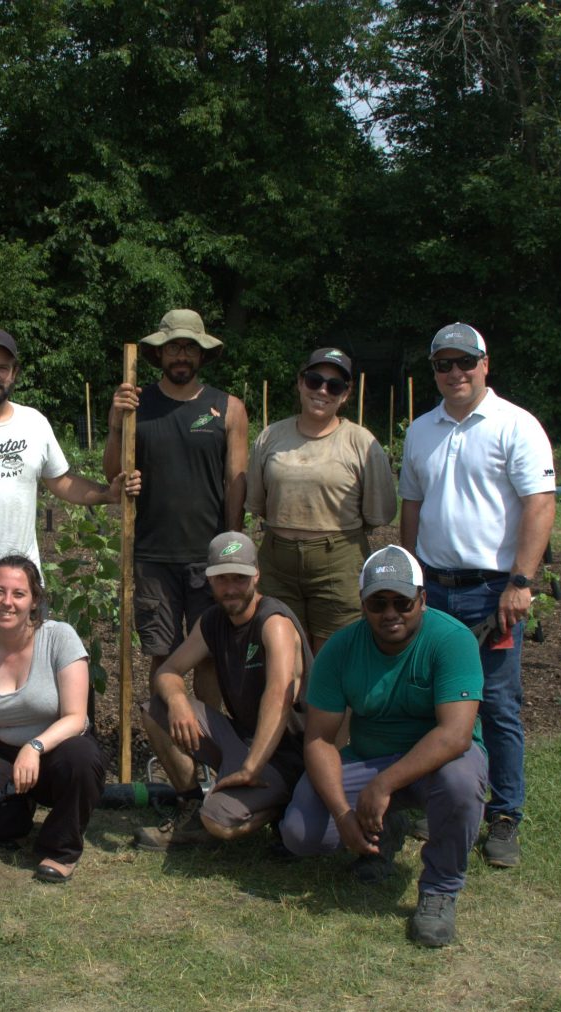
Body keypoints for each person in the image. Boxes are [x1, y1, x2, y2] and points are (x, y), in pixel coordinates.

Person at [398, 322, 555, 869]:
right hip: (434, 586)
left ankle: (505, 815)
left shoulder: (516, 426)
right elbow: (412, 508)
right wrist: (409, 578)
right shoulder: (422, 431)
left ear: (485, 364)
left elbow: (540, 504)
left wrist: (520, 582)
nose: (455, 373)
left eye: (465, 362)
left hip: (493, 591)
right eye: (444, 364)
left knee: (497, 702)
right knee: (431, 698)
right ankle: (433, 798)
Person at [279, 546, 489, 948]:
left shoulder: (452, 640)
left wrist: (382, 786)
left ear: (422, 600)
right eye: (378, 602)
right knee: (301, 834)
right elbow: (320, 739)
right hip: (370, 757)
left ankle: (440, 890)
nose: (390, 612)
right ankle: (383, 834)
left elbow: (454, 735)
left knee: (461, 784)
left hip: (441, 762)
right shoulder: (340, 649)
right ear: (362, 605)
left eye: (402, 601)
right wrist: (342, 813)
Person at [0, 326, 138, 643]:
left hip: (23, 585)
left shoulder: (33, 423)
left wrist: (106, 494)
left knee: (24, 678)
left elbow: (62, 482)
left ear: (13, 374)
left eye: (3, 367)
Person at [105, 309, 249, 705]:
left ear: (202, 355)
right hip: (152, 554)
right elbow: (112, 472)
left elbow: (236, 483)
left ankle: (211, 745)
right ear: (159, 355)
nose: (181, 355)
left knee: (209, 657)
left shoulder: (228, 408)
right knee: (162, 653)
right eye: (174, 348)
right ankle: (168, 744)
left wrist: (232, 548)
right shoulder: (135, 405)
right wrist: (117, 421)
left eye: (190, 347)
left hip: (208, 558)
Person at [134, 531, 309, 850]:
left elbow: (279, 695)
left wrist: (252, 766)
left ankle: (284, 808)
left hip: (285, 754)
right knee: (155, 709)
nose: (231, 588)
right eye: (221, 578)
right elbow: (168, 670)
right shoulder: (213, 621)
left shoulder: (274, 622)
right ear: (209, 580)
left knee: (218, 823)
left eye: (239, 578)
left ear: (256, 574)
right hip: (243, 737)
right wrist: (177, 700)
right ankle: (190, 803)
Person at [0, 556, 107, 882]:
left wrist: (35, 747)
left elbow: (76, 718)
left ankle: (61, 849)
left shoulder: (60, 637)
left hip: (56, 750)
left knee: (82, 758)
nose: (7, 602)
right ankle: (18, 812)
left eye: (18, 594)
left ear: (34, 602)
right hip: (3, 754)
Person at [246, 347, 397, 652]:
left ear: (346, 394)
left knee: (331, 655)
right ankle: (287, 702)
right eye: (315, 381)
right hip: (278, 560)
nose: (322, 391)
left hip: (339, 560)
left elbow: (377, 512)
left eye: (334, 385)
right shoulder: (271, 436)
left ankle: (321, 702)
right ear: (301, 382)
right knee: (282, 651)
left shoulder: (362, 443)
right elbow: (258, 502)